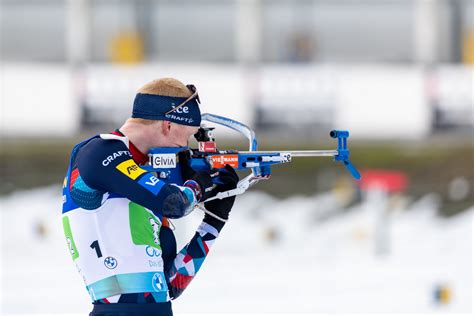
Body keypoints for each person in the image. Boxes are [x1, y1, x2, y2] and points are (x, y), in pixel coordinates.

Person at [61, 78, 239, 316]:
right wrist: (200, 184)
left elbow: (170, 285)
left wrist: (215, 220)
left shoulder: (144, 184)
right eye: (187, 136)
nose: (185, 146)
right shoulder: (98, 153)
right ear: (168, 125)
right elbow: (175, 203)